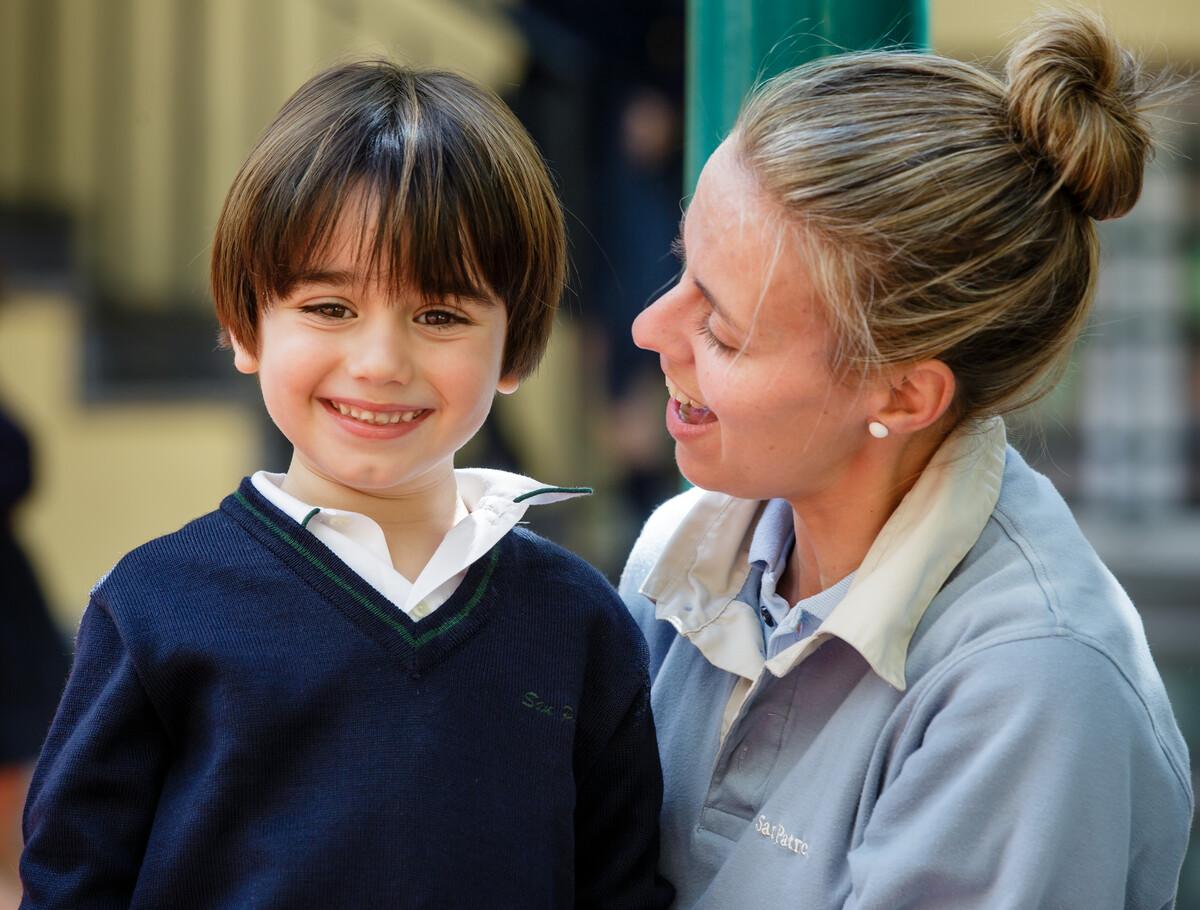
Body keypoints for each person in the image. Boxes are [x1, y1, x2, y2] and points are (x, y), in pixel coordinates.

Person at [19, 61, 672, 909]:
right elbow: (71, 886)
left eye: (439, 315)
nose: (380, 364)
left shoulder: (580, 625)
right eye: (330, 307)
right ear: (246, 320)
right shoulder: (155, 609)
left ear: (516, 346)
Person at [620, 10, 1192, 909]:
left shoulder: (1033, 693)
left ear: (902, 397)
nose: (651, 329)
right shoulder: (684, 550)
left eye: (724, 332)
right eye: (680, 264)